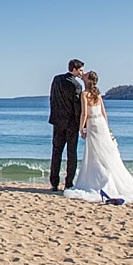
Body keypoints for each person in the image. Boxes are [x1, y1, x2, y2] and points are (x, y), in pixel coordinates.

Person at [64, 71, 133, 203]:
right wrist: (107, 129)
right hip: (101, 124)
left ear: (88, 80)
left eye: (85, 75)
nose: (83, 74)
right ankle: (107, 177)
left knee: (95, 153)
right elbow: (104, 113)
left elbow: (84, 113)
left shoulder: (85, 94)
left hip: (93, 124)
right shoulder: (97, 94)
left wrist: (82, 128)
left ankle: (101, 180)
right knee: (105, 152)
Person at [47, 59, 84, 191]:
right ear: (74, 69)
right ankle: (68, 182)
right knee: (71, 153)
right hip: (71, 123)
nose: (81, 73)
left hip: (57, 121)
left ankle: (54, 182)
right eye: (80, 70)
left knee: (56, 152)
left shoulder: (56, 80)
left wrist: (54, 115)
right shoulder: (76, 86)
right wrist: (81, 124)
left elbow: (52, 99)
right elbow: (77, 108)